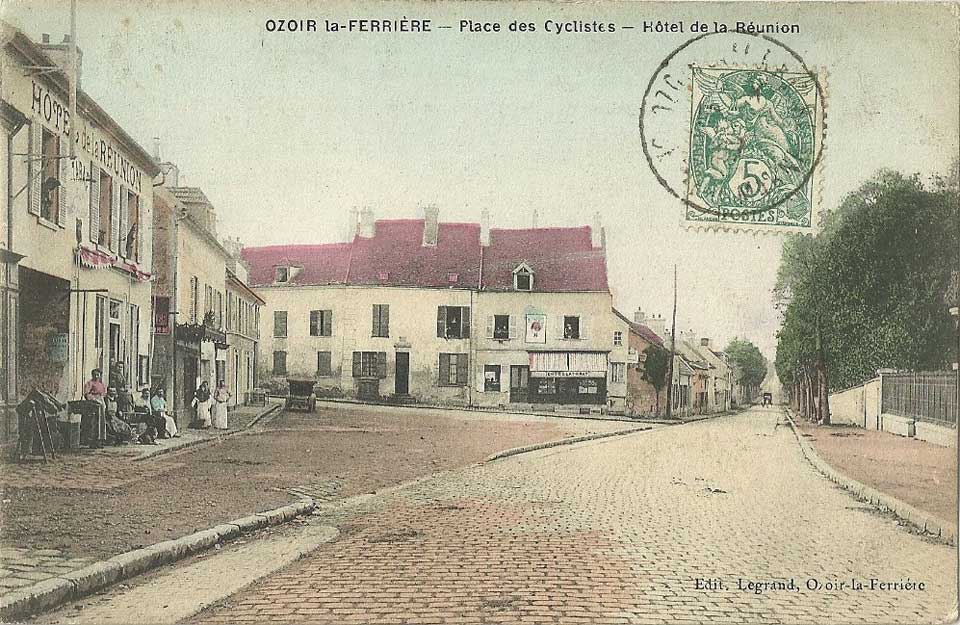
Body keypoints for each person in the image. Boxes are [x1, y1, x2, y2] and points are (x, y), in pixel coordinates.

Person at [80, 368, 108, 446]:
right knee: (93, 422)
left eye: (98, 374)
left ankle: (100, 440)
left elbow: (103, 394)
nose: (96, 376)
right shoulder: (89, 383)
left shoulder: (101, 384)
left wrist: (103, 402)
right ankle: (92, 441)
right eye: (94, 374)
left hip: (101, 403)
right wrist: (94, 399)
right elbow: (87, 394)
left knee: (101, 422)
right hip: (93, 404)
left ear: (100, 375)